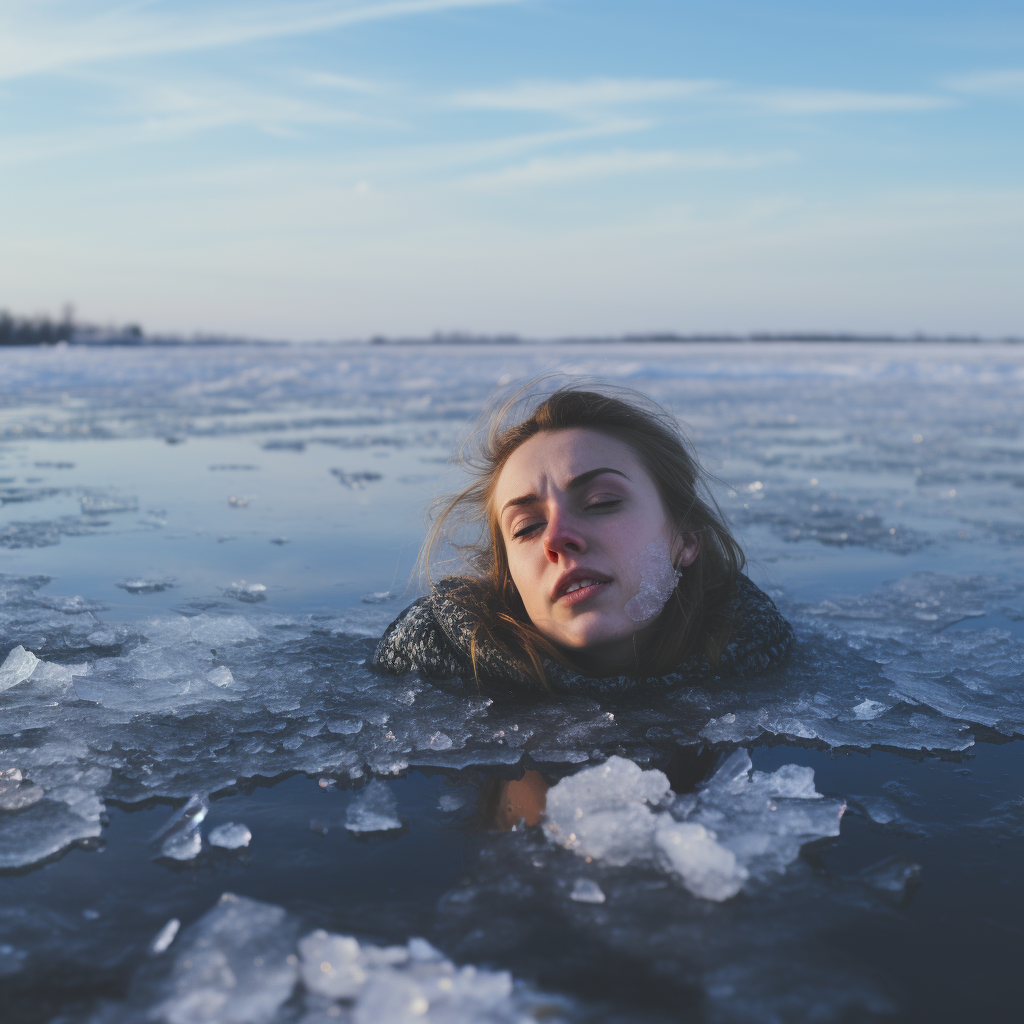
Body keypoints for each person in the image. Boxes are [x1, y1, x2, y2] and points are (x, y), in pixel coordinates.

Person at [373, 384, 793, 694]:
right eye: (526, 527)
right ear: (508, 580)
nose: (557, 539)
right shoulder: (426, 678)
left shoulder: (766, 671)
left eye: (601, 502)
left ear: (685, 539)